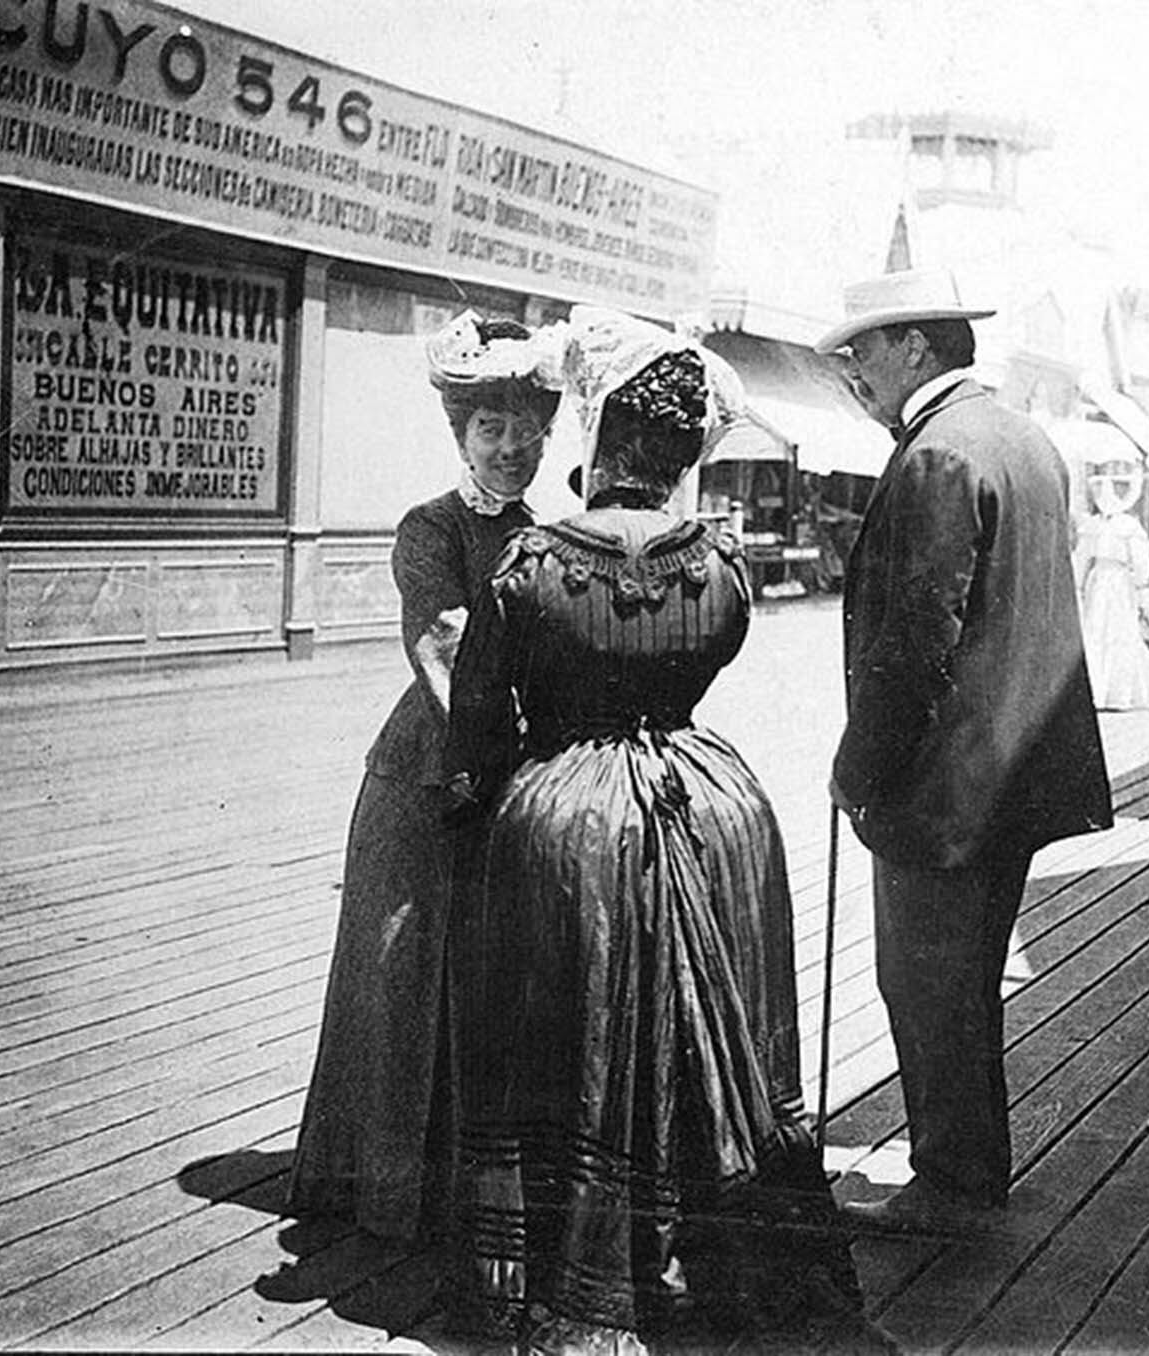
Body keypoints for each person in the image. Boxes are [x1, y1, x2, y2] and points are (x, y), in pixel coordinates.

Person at [439, 309, 864, 1355]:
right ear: (685, 450)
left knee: (579, 1036)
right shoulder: (719, 566)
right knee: (694, 1035)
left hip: (570, 818)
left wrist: (474, 803)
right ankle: (696, 1248)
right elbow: (699, 669)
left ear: (599, 434)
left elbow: (482, 720)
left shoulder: (531, 565)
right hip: (707, 805)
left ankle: (572, 1270)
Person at [814, 267, 1113, 1232]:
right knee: (967, 982)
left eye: (861, 352)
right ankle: (970, 1169)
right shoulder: (1023, 439)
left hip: (944, 794)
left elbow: (915, 644)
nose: (852, 372)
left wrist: (856, 770)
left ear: (916, 345)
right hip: (1015, 780)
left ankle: (952, 1185)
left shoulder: (938, 455)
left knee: (928, 985)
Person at [288, 313, 559, 1241]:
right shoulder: (429, 529)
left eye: (526, 429)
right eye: (492, 429)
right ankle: (387, 1191)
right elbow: (444, 650)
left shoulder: (546, 535)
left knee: (482, 981)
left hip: (508, 771)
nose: (511, 447)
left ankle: (462, 1193)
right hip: (425, 778)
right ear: (460, 435)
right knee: (402, 975)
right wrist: (519, 752)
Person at [1074, 455, 1149, 711]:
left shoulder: (1129, 526)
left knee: (1119, 632)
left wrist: (1139, 584)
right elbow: (1083, 556)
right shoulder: (1092, 525)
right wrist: (1080, 584)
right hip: (1099, 580)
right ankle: (1097, 690)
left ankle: (1119, 693)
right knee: (1096, 631)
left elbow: (1140, 561)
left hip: (1119, 582)